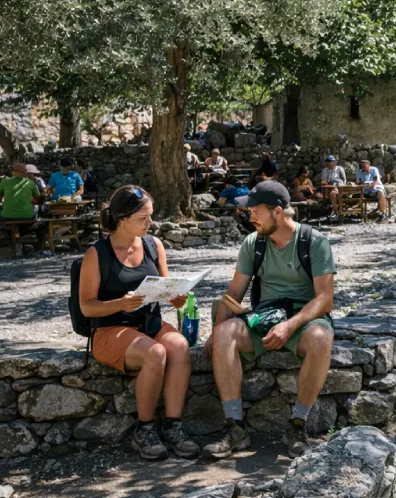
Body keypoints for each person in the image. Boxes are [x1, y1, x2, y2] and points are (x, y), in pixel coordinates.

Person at [204, 181, 337, 458]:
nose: (249, 217)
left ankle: (297, 426)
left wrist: (290, 326)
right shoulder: (253, 243)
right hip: (264, 316)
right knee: (225, 334)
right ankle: (235, 428)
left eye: (255, 211)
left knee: (321, 338)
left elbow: (324, 299)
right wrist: (216, 332)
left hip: (304, 317)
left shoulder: (314, 241)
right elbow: (233, 294)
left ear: (277, 212)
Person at [78, 186, 198, 460]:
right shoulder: (96, 254)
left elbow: (165, 287)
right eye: (143, 218)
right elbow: (87, 306)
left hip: (149, 323)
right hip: (110, 328)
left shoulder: (153, 245)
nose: (150, 223)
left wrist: (176, 299)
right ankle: (144, 430)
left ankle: (173, 426)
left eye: (150, 216)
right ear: (122, 219)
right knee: (155, 353)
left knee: (179, 346)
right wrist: (120, 303)